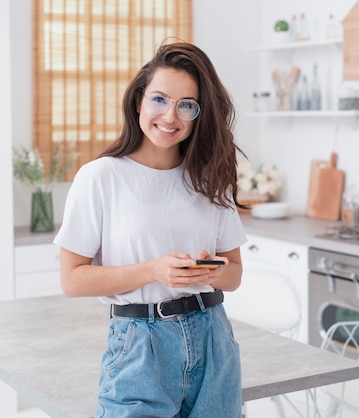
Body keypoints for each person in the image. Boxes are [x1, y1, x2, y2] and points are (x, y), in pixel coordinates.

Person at [53, 42, 247, 418]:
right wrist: (154, 271)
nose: (170, 116)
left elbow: (235, 275)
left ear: (198, 115)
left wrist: (213, 270)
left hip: (213, 339)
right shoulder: (101, 177)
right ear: (140, 99)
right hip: (140, 345)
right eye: (160, 99)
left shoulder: (210, 179)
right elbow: (72, 280)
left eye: (186, 105)